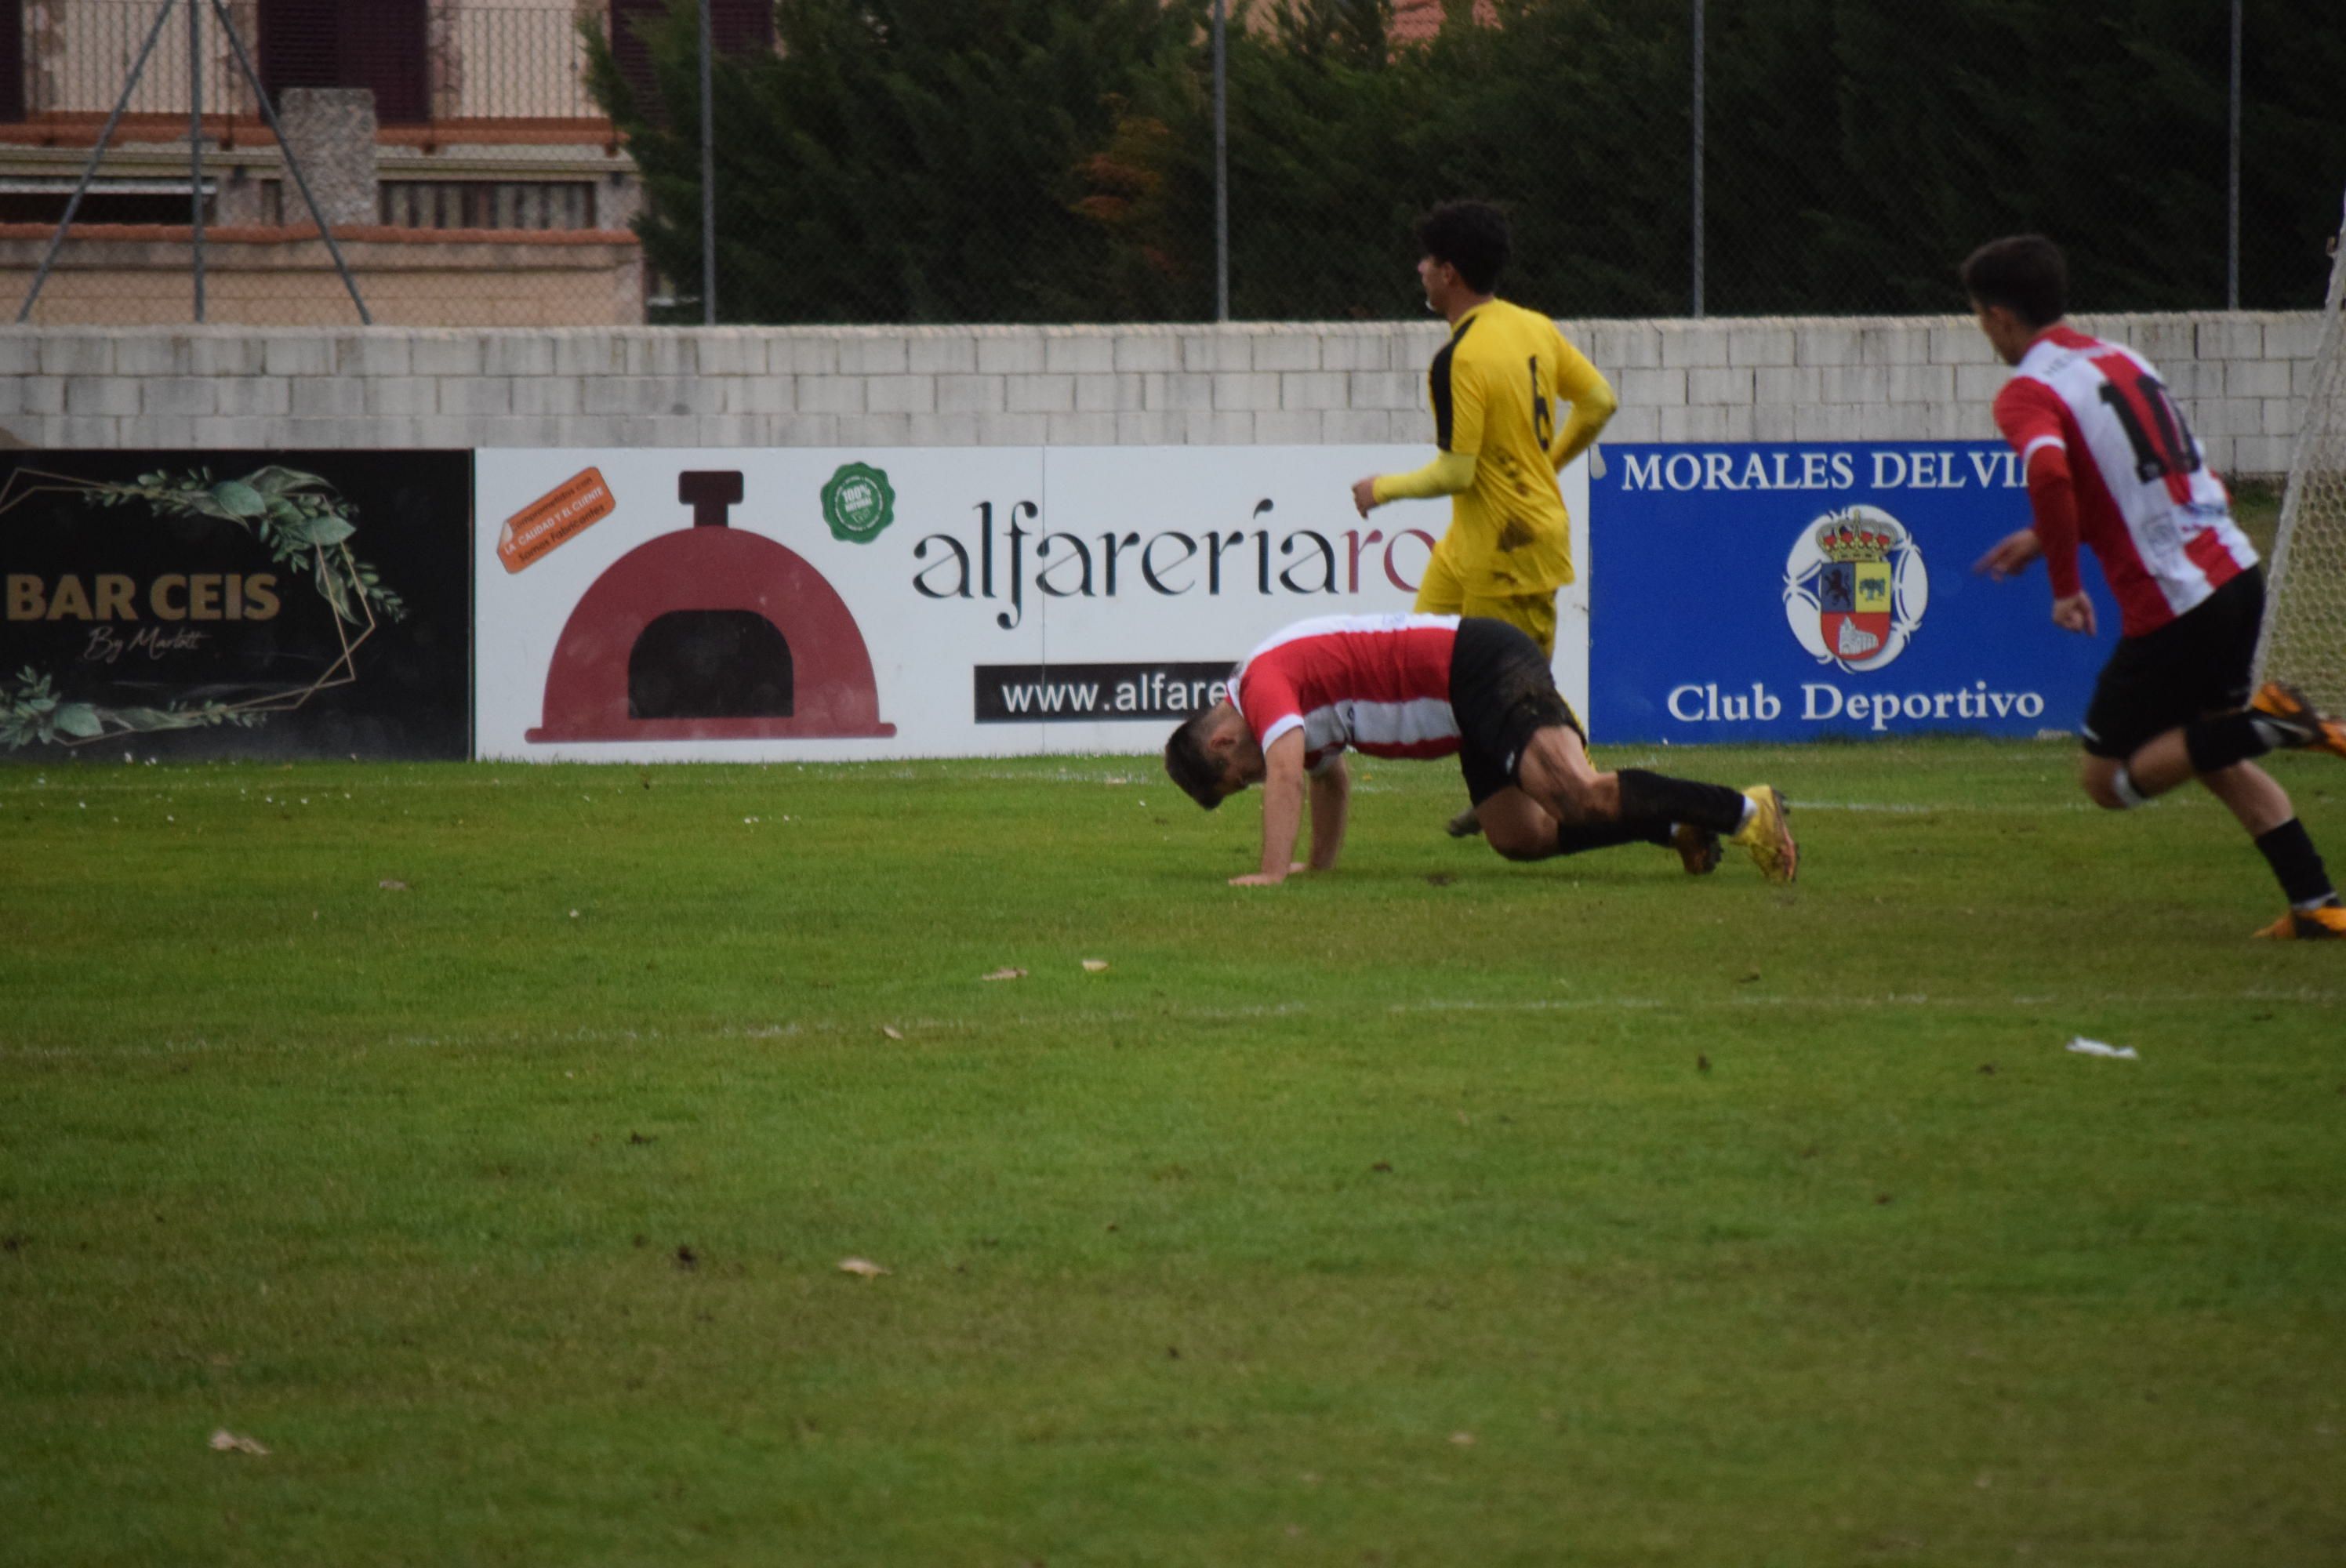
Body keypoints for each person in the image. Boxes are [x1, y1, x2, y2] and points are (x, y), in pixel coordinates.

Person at [1963, 233, 2346, 939]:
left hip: (2174, 601)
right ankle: (2315, 903)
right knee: (2206, 749)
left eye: (1980, 319)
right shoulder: (2121, 359)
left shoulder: (2028, 391)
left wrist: (2065, 585)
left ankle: (2274, 723)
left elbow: (2049, 474)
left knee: (2106, 782)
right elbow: (2149, 483)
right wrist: (2047, 538)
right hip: (2233, 570)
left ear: (1999, 318)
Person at [1162, 612, 1796, 888]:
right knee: (1523, 837)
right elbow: (1330, 781)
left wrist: (1271, 873)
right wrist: (1319, 867)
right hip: (1465, 710)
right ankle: (1678, 824)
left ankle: (1746, 811)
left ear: (1222, 741)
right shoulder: (1280, 698)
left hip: (1479, 668)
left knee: (1578, 795)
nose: (1250, 781)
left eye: (1235, 779)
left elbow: (1285, 779)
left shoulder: (1262, 685)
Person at [1349, 199, 1619, 842]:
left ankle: (1602, 796)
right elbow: (1599, 401)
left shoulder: (1460, 360)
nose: (1418, 270)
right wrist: (1546, 464)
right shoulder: (1531, 326)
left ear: (1449, 273)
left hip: (1512, 548)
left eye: (1426, 260)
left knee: (1523, 696)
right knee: (1427, 665)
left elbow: (1456, 472)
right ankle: (1502, 781)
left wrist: (1379, 490)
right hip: (1473, 542)